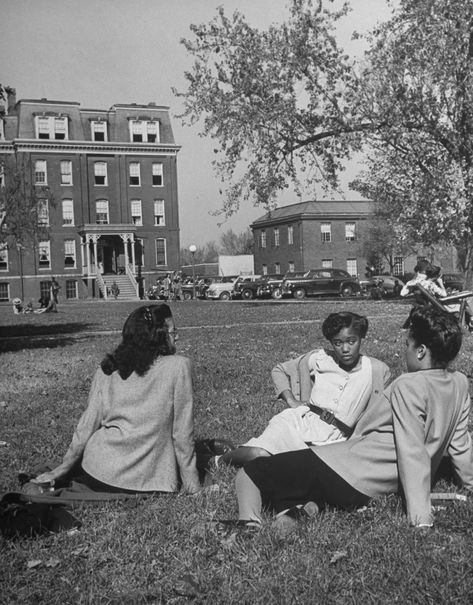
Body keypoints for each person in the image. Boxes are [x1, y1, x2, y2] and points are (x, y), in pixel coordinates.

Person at [234, 307, 473, 532]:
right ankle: (304, 509)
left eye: (407, 345)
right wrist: (469, 486)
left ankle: (249, 526)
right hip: (386, 486)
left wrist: (421, 519)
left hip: (349, 470)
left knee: (250, 472)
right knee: (303, 480)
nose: (405, 351)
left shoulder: (407, 384)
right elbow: (461, 446)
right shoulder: (460, 382)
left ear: (420, 351)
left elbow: (412, 452)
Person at [32, 304, 201, 495]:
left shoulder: (108, 368)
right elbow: (182, 436)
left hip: (96, 472)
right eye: (173, 331)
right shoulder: (179, 367)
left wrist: (61, 470)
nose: (177, 336)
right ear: (159, 335)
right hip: (144, 482)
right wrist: (193, 487)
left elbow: (86, 427)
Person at [219, 312, 391, 467]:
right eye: (338, 343)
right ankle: (219, 461)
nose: (345, 349)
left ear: (361, 338)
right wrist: (291, 401)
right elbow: (279, 370)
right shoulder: (320, 358)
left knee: (289, 470)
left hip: (336, 440)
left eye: (351, 342)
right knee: (258, 454)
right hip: (300, 422)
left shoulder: (376, 370)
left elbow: (381, 415)